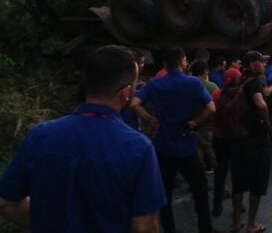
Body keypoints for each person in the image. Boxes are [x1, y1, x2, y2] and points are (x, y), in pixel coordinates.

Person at [0, 45, 166, 232]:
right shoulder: (139, 148)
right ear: (126, 92)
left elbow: (6, 203)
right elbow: (143, 227)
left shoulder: (40, 135)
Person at [129, 47, 219, 233]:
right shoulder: (193, 83)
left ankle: (169, 229)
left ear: (164, 64)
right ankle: (205, 228)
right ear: (182, 62)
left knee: (165, 193)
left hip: (162, 146)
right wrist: (195, 122)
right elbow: (211, 108)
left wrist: (149, 119)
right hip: (186, 146)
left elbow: (134, 104)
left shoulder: (154, 84)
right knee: (200, 189)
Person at [231, 51, 271, 233]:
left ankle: (236, 221)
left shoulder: (238, 79)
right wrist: (266, 123)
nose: (264, 65)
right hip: (254, 139)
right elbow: (261, 105)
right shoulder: (254, 82)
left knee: (238, 182)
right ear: (253, 63)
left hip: (237, 137)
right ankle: (251, 224)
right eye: (262, 62)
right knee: (257, 182)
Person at [210, 69, 241, 217]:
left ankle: (217, 205)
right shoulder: (240, 95)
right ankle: (238, 205)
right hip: (235, 138)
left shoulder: (216, 94)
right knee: (237, 173)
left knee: (220, 172)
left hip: (218, 137)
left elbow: (210, 112)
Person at [190, 61, 219, 174]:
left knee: (197, 149)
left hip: (191, 120)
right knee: (209, 147)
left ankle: (197, 171)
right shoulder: (211, 86)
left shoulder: (188, 84)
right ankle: (216, 169)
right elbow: (216, 104)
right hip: (208, 122)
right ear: (205, 72)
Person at [121, 47, 146, 130]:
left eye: (142, 62)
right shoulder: (121, 84)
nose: (141, 66)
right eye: (139, 62)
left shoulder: (142, 85)